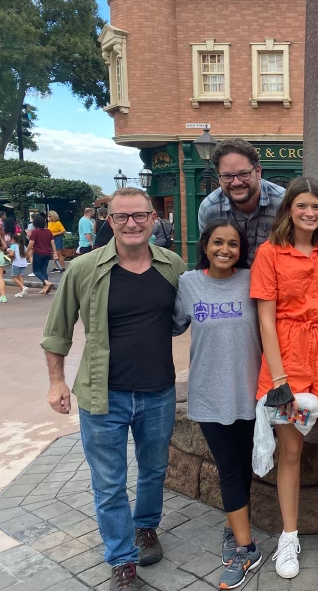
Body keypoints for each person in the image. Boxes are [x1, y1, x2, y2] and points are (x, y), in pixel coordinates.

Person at [41, 187, 186, 591]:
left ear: (153, 218)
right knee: (108, 483)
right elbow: (57, 331)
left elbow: (188, 315)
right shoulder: (84, 269)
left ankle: (145, 528)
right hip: (102, 394)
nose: (132, 224)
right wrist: (56, 382)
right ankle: (122, 560)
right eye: (122, 217)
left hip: (158, 391)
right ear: (109, 221)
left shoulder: (172, 266)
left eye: (140, 215)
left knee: (154, 470)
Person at [250, 178, 318, 578]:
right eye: (302, 206)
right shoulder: (270, 252)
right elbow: (265, 318)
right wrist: (279, 380)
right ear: (289, 209)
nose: (310, 214)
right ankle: (289, 535)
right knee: (290, 452)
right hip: (287, 360)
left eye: (317, 207)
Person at [173, 219, 262, 589]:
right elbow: (171, 324)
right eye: (217, 243)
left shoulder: (252, 280)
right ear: (205, 246)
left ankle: (233, 524)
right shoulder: (188, 284)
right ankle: (246, 548)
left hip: (249, 390)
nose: (225, 250)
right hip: (209, 392)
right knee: (227, 466)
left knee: (243, 465)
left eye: (233, 244)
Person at [198, 138, 285, 265]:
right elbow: (208, 259)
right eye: (227, 176)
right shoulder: (209, 208)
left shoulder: (283, 203)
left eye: (244, 174)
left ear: (258, 171)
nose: (236, 182)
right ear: (219, 177)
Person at [26, 215, 58, 294]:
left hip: (38, 253)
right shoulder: (48, 231)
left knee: (36, 270)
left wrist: (26, 251)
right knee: (44, 270)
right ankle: (45, 288)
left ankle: (47, 283)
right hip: (48, 253)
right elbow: (53, 243)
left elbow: (31, 243)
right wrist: (55, 252)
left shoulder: (35, 232)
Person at [6, 233, 29, 298]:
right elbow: (27, 255)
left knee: (14, 277)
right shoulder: (23, 246)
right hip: (23, 263)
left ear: (14, 240)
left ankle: (23, 287)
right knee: (21, 276)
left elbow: (12, 254)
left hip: (16, 264)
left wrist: (8, 252)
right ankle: (22, 291)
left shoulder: (13, 246)